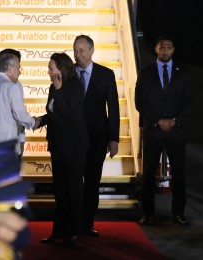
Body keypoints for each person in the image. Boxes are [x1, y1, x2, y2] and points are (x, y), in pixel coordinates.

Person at [135, 35, 195, 226]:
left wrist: (175, 121)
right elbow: (140, 102)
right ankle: (148, 212)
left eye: (169, 48)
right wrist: (158, 121)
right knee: (148, 173)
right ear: (156, 50)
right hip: (153, 130)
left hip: (176, 131)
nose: (165, 51)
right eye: (162, 48)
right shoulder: (145, 73)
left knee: (178, 172)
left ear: (173, 50)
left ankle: (178, 212)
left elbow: (190, 101)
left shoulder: (184, 73)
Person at [35, 52, 88, 245]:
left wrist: (58, 90)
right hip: (57, 145)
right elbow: (54, 113)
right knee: (60, 190)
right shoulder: (53, 87)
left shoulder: (75, 87)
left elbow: (67, 113)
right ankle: (59, 230)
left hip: (74, 146)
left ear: (61, 69)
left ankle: (75, 230)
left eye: (51, 68)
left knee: (73, 188)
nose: (48, 71)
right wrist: (40, 121)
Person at [73, 35, 120, 236]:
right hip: (73, 138)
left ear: (92, 51)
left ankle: (87, 223)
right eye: (75, 50)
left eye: (82, 50)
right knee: (75, 181)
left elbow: (114, 109)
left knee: (92, 181)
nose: (78, 54)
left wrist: (114, 138)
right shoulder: (68, 75)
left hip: (97, 138)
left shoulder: (106, 74)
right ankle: (73, 221)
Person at [0, 53, 37, 156]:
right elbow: (20, 115)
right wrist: (32, 122)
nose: (20, 72)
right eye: (18, 68)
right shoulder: (12, 87)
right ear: (9, 68)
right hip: (8, 143)